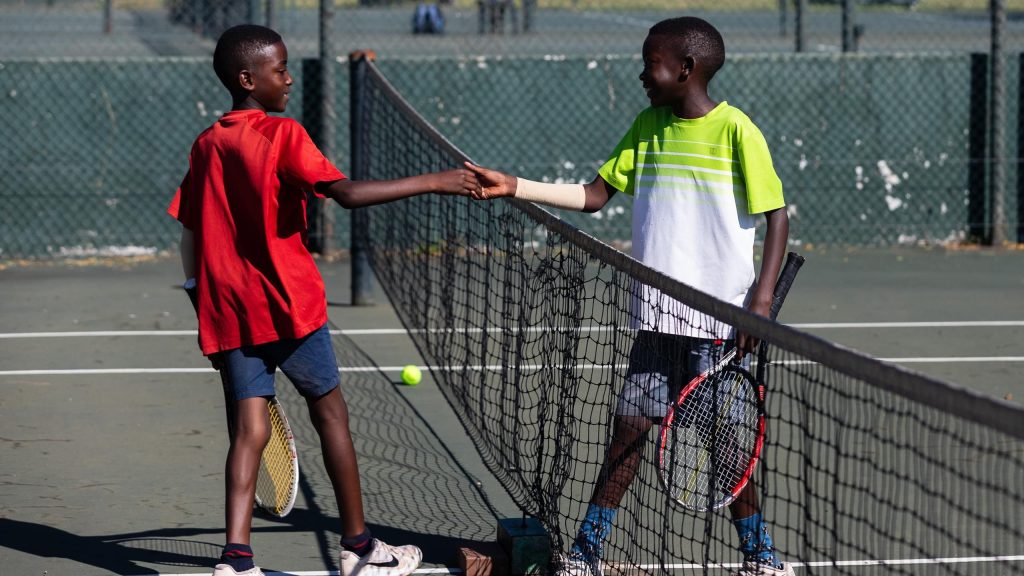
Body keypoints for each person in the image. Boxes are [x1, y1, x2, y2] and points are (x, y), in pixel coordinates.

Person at [465, 16, 793, 576]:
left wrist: (759, 304)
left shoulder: (738, 130)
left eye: (652, 61)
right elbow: (594, 196)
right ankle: (589, 548)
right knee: (627, 433)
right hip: (657, 320)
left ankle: (761, 555)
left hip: (718, 327)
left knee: (727, 450)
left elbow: (776, 216)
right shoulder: (647, 126)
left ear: (686, 68)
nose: (642, 72)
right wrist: (515, 185)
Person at [168, 24, 479, 576]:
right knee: (331, 415)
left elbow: (189, 230)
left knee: (248, 432)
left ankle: (236, 560)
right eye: (280, 70)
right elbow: (348, 195)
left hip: (231, 311)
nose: (289, 79)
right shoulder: (282, 134)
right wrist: (438, 180)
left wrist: (200, 299)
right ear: (248, 79)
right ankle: (359, 549)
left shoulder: (206, 143)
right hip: (290, 308)